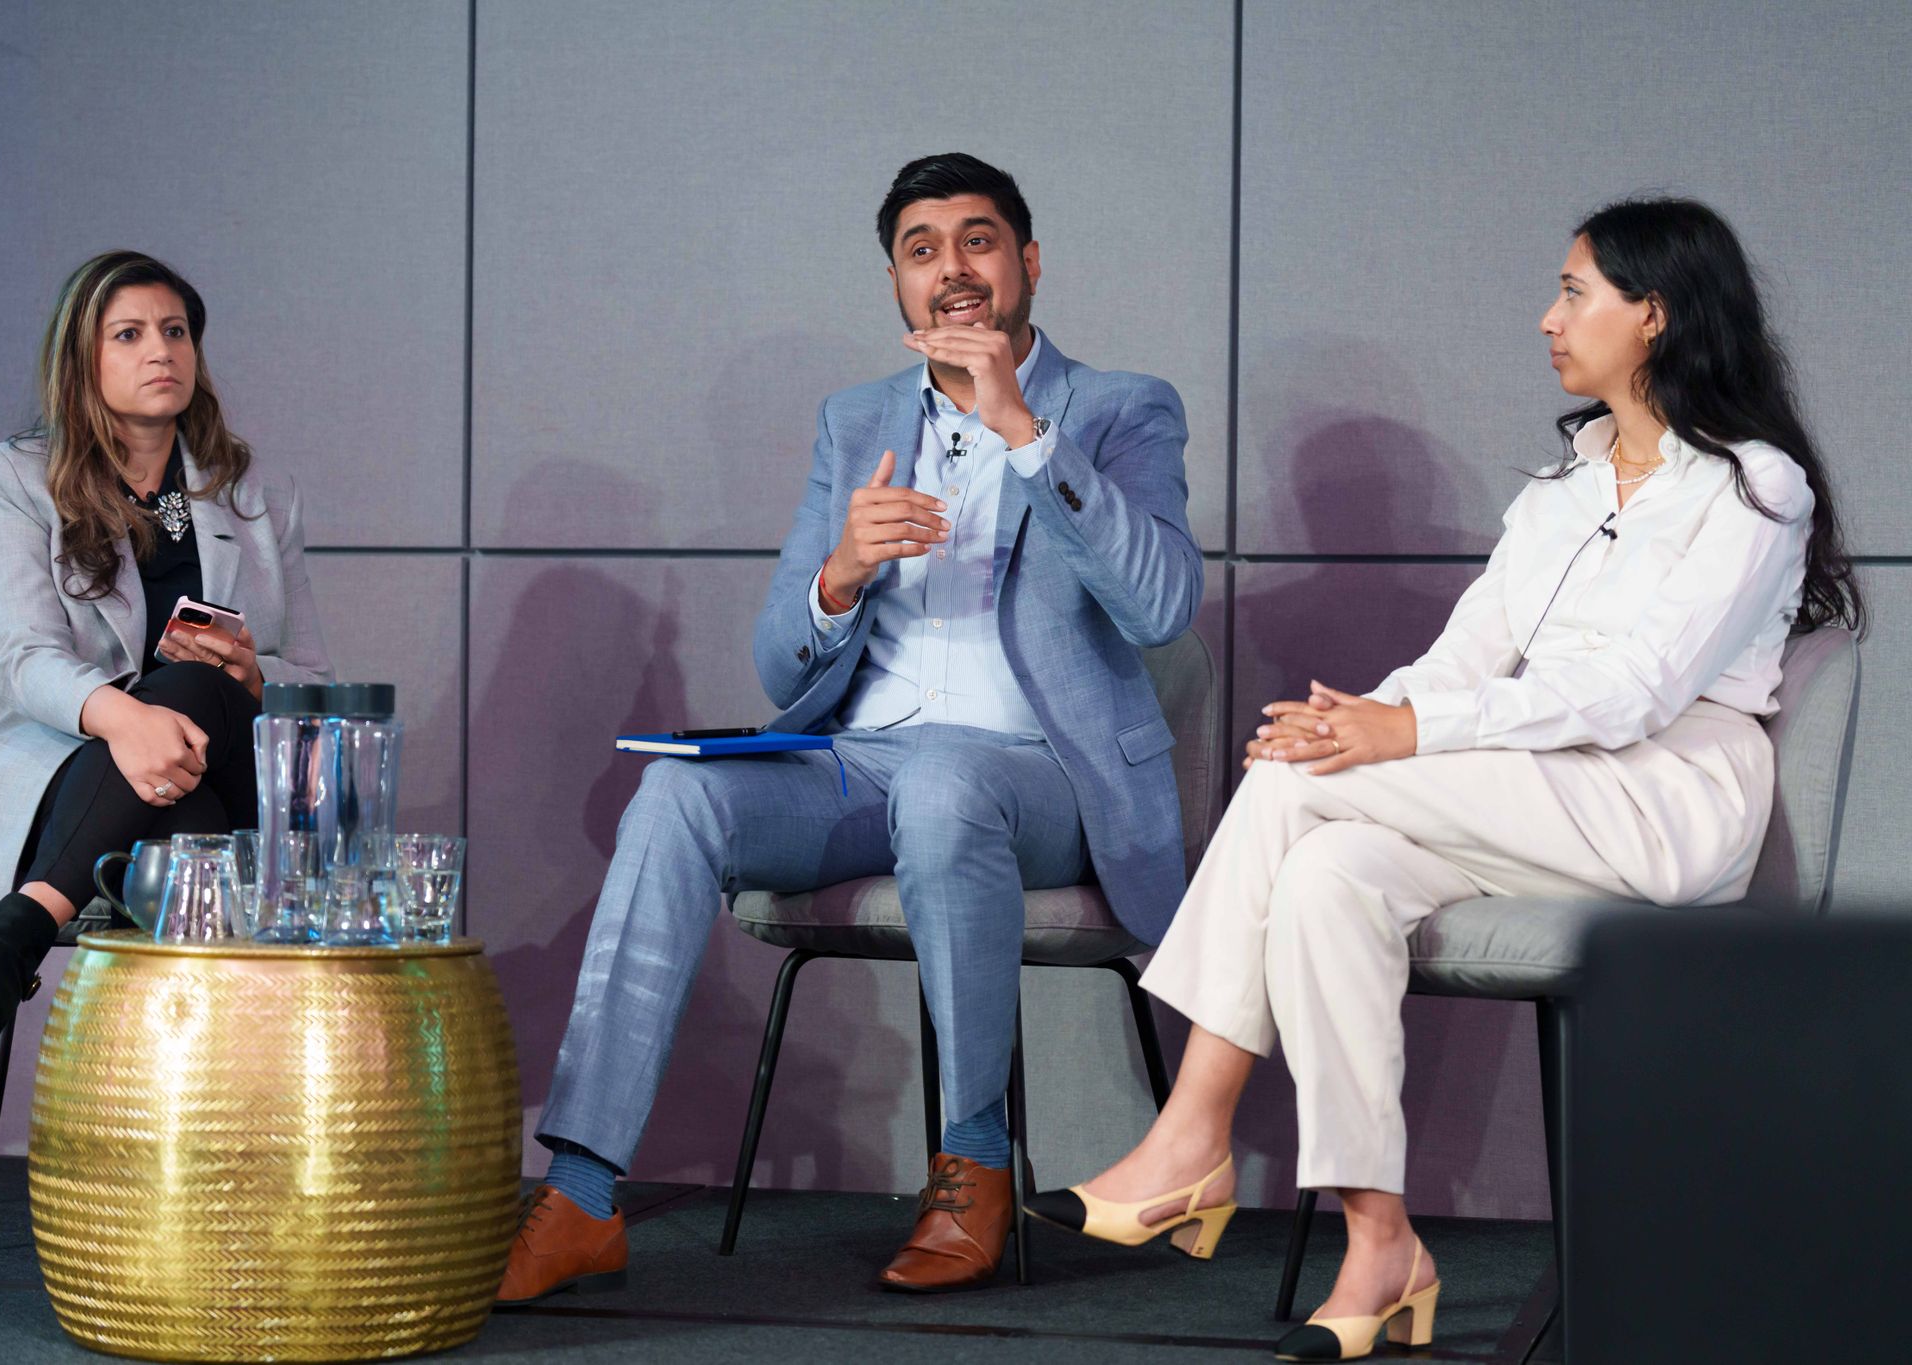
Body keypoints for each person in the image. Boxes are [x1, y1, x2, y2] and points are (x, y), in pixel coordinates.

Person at [1024, 197, 1864, 1362]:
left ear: (1655, 316)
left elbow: (1635, 691)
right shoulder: (1559, 489)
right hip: (1534, 786)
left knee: (1289, 793)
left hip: (1662, 800)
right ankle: (1380, 1244)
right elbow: (1459, 659)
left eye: (1574, 292)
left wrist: (1404, 734)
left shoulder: (1753, 488)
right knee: (1322, 867)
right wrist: (1356, 721)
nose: (1545, 318)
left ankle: (1189, 1135)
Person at [497, 152, 1202, 1302]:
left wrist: (1023, 432)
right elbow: (781, 666)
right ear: (895, 286)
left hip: (1039, 779)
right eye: (921, 251)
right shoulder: (858, 420)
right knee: (676, 792)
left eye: (976, 241)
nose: (951, 270)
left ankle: (974, 1162)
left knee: (946, 789)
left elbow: (1162, 605)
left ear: (1027, 263)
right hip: (860, 764)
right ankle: (581, 1190)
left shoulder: (1120, 408)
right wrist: (839, 573)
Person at [0, 250, 332, 1071]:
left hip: (231, 754)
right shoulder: (15, 477)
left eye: (174, 331)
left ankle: (9, 943)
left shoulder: (256, 491)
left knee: (197, 682)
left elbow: (312, 669)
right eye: (128, 334)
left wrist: (252, 677)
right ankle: (191, 1119)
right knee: (185, 833)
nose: (160, 351)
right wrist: (126, 718)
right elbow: (18, 653)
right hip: (73, 768)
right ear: (82, 360)